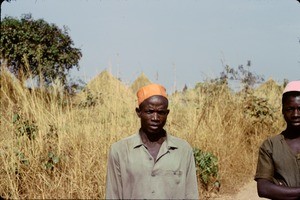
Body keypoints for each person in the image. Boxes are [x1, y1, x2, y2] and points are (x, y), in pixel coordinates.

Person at [105, 83, 199, 199]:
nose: (155, 118)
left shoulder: (183, 150)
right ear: (139, 112)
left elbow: (191, 194)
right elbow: (113, 195)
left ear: (167, 113)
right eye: (149, 112)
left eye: (161, 112)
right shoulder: (120, 150)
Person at [255, 80, 300, 199]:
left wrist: (282, 189)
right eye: (290, 109)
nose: (295, 114)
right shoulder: (270, 146)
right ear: (283, 111)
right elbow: (263, 188)